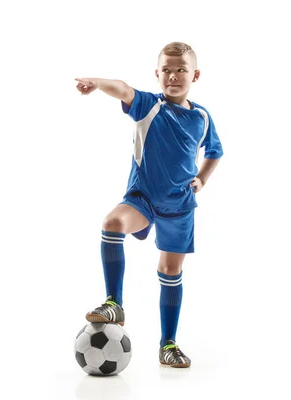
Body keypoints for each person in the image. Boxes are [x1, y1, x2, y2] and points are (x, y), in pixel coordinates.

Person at [75, 42, 223, 368]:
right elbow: (124, 89)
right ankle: (114, 302)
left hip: (180, 208)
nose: (173, 75)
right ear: (157, 74)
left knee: (170, 271)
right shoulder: (148, 106)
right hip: (143, 199)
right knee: (112, 223)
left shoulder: (202, 117)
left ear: (194, 74)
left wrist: (202, 180)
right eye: (167, 70)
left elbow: (214, 152)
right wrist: (99, 84)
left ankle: (168, 344)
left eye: (181, 69)